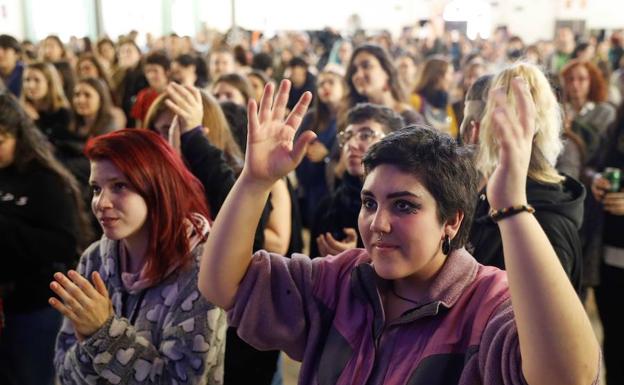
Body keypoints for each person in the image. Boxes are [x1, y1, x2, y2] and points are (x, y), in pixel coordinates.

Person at [198, 79, 600, 385]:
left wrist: (511, 206)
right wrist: (254, 182)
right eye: (370, 203)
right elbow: (223, 285)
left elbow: (571, 374)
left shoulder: (486, 303)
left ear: (452, 220)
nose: (378, 223)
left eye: (404, 205)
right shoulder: (343, 280)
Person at [52, 127, 227, 385]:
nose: (101, 203)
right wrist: (93, 339)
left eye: (119, 186)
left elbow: (181, 381)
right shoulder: (95, 259)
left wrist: (103, 334)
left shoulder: (200, 270)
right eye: (97, 189)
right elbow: (64, 373)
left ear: (156, 187)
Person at [469, 63, 585, 292]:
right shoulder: (491, 198)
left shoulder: (543, 223)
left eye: (474, 123)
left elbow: (545, 325)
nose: (469, 133)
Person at [0, 92, 89, 385]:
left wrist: (7, 228)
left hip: (33, 306)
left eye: (1, 141)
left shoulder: (46, 180)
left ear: (19, 137)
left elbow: (64, 243)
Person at [309, 103, 404, 258]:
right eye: (347, 137)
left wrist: (359, 258)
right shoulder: (327, 208)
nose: (351, 145)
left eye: (365, 135)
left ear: (393, 142)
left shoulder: (404, 206)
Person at [589, 101, 624, 385]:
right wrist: (596, 179)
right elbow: (592, 166)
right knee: (613, 340)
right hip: (609, 257)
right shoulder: (616, 126)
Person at [295, 66, 346, 225]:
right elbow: (296, 147)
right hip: (311, 189)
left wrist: (326, 157)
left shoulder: (350, 118)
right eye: (321, 83)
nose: (325, 87)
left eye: (331, 82)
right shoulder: (311, 117)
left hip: (335, 192)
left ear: (344, 87)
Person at [344, 44, 423, 125]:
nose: (358, 75)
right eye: (354, 70)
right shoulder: (353, 116)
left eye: (366, 66)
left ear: (386, 72)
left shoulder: (409, 120)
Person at [411, 57, 459, 137]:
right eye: (450, 74)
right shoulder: (416, 100)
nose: (452, 78)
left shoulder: (445, 101)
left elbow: (453, 131)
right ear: (438, 76)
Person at [132, 51, 170, 128]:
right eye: (148, 71)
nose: (151, 76)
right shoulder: (143, 95)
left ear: (167, 72)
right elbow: (139, 126)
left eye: (155, 71)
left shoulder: (175, 94)